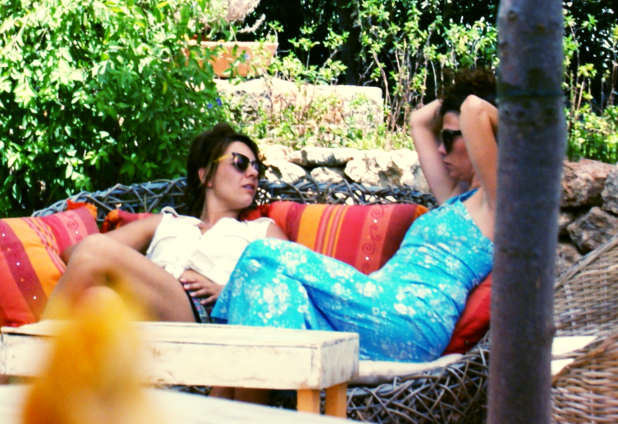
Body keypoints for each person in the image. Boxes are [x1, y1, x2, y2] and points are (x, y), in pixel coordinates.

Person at [211, 69, 498, 362]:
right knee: (276, 291)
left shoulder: (499, 202)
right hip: (382, 309)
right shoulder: (455, 198)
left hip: (412, 319)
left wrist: (485, 110)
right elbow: (419, 121)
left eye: (449, 137)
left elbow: (473, 108)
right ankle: (272, 388)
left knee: (263, 252)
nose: (440, 148)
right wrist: (451, 101)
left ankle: (214, 357)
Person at [45, 122, 289, 323]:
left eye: (256, 167)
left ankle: (28, 354)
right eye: (240, 163)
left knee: (96, 250)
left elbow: (292, 285)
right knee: (98, 299)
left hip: (206, 318)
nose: (253, 173)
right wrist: (142, 270)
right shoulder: (167, 223)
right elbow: (75, 254)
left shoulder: (261, 229)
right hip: (146, 319)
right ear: (206, 175)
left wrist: (229, 292)